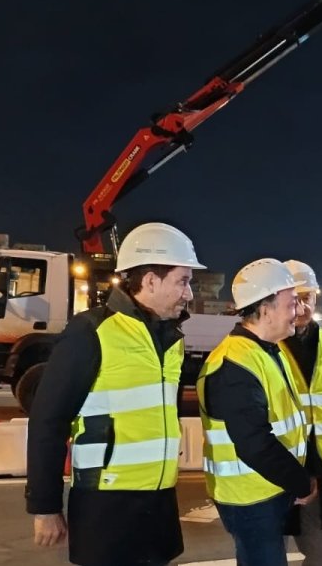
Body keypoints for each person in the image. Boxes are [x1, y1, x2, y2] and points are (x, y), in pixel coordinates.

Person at [26, 221, 205, 566]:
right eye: (183, 281)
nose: (189, 293)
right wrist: (45, 506)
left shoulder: (170, 339)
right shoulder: (91, 331)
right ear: (151, 280)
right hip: (106, 504)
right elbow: (49, 420)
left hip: (159, 499)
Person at [197, 258, 317, 566]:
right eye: (292, 304)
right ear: (265, 309)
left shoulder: (265, 351)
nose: (300, 311)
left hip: (267, 490)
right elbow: (254, 443)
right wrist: (300, 482)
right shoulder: (235, 363)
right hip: (249, 498)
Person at [280, 259, 322, 565]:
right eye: (295, 298)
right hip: (277, 468)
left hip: (321, 464)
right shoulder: (268, 344)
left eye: (308, 297)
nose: (303, 306)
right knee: (267, 555)